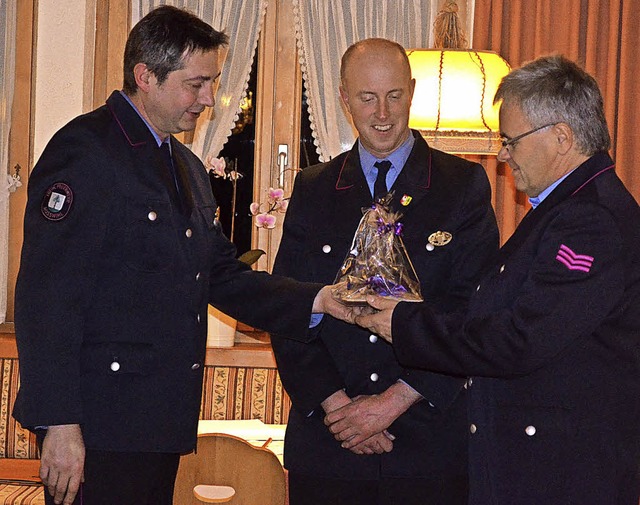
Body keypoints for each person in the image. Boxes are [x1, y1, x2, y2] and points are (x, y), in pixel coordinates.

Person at [12, 6, 347, 505]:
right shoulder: (86, 151)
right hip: (99, 426)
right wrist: (59, 423)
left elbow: (222, 276)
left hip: (156, 423)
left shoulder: (185, 166)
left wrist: (318, 300)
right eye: (196, 84)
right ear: (145, 76)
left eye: (211, 83)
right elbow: (48, 298)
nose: (209, 99)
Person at [356, 54, 640, 505]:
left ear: (561, 137)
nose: (503, 154)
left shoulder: (591, 221)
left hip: (562, 476)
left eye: (511, 140)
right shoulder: (564, 208)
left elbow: (521, 338)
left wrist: (405, 324)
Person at [270, 38, 499, 505]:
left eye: (394, 95)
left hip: (426, 444)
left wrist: (392, 403)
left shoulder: (462, 185)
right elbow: (289, 307)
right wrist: (338, 407)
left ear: (412, 91)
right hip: (329, 445)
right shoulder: (314, 188)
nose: (382, 112)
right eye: (366, 97)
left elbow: (472, 312)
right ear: (343, 97)